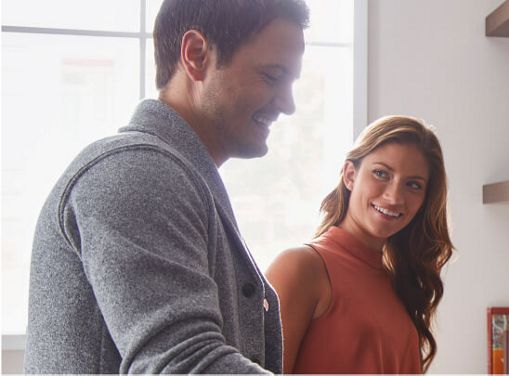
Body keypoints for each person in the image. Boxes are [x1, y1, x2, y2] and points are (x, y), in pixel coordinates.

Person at [24, 0, 308, 373]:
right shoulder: (136, 171)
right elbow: (184, 365)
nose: (288, 104)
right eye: (272, 76)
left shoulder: (175, 174)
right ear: (196, 55)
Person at [266, 115, 455, 373]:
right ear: (350, 175)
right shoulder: (301, 268)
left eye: (413, 185)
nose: (394, 196)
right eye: (381, 173)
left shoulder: (398, 284)